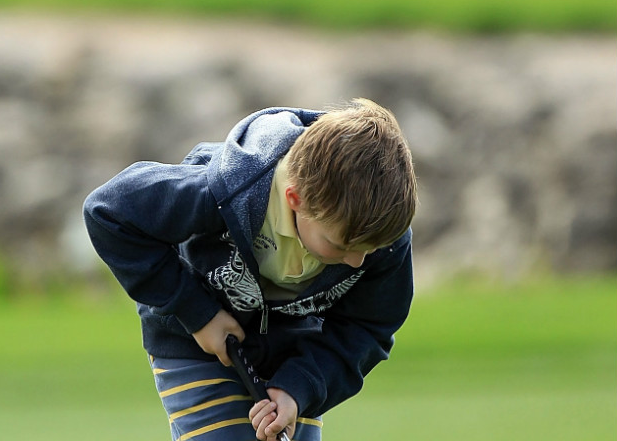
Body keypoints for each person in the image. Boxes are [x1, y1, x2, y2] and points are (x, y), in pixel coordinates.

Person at [83, 99, 417, 441]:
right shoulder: (230, 189)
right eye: (341, 246)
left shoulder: (378, 233)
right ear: (295, 199)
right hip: (195, 344)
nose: (357, 262)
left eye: (368, 250)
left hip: (297, 357)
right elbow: (108, 211)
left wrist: (299, 388)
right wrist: (197, 313)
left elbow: (367, 328)